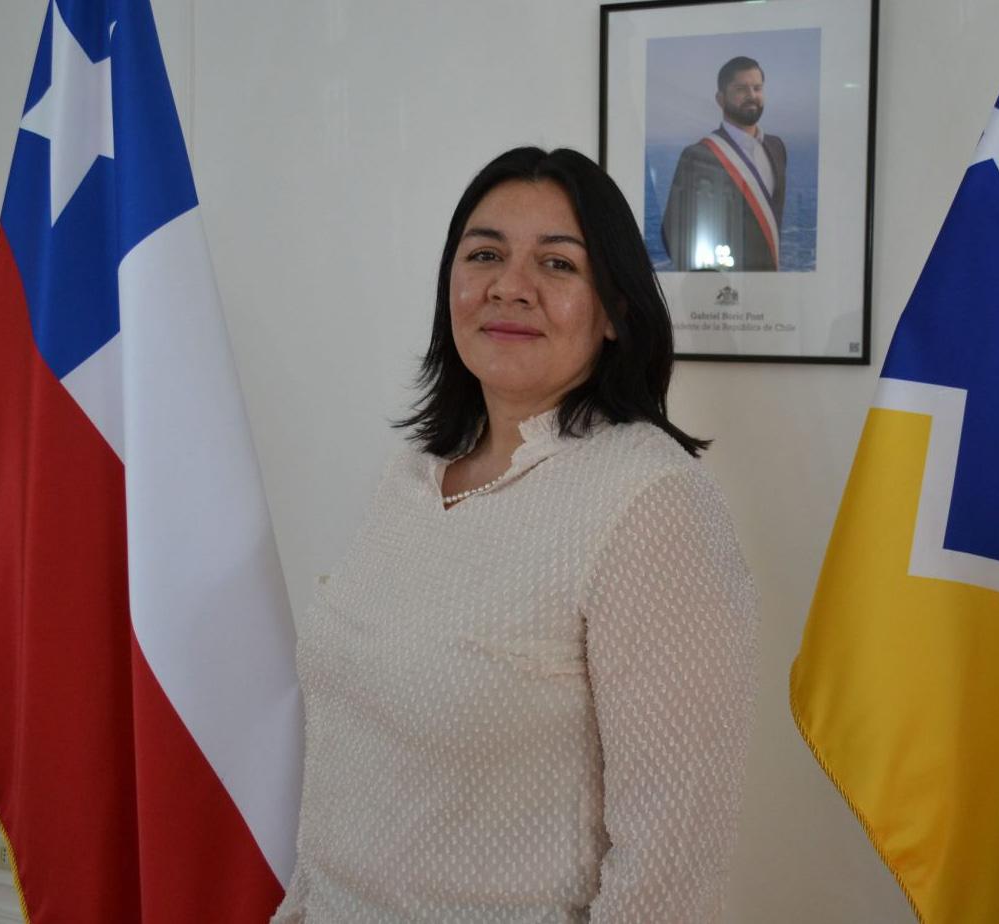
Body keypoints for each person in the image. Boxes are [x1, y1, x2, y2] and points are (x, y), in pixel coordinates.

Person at [271, 147, 759, 922]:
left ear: (615, 310)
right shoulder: (410, 474)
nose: (509, 286)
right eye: (485, 255)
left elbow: (671, 867)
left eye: (557, 264)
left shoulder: (651, 504)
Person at [661, 56, 788, 272]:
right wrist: (708, 282)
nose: (751, 95)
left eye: (757, 88)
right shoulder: (698, 155)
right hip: (724, 284)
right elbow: (672, 232)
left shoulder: (777, 148)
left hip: (770, 284)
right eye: (741, 89)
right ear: (720, 99)